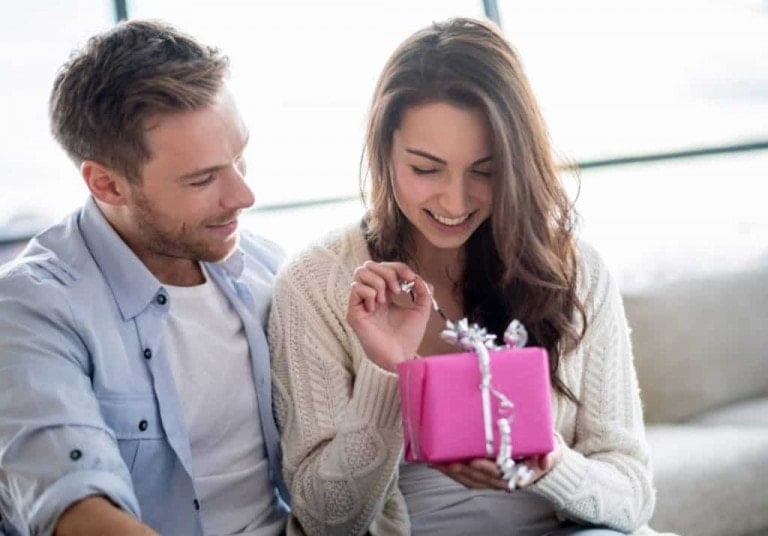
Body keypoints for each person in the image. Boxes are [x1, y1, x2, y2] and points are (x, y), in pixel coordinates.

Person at [268, 17, 656, 536]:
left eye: (486, 170)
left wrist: (551, 464)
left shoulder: (573, 269)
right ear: (384, 152)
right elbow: (325, 519)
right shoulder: (316, 283)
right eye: (426, 170)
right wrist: (388, 376)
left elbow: (632, 499)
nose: (454, 202)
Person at [0, 20, 288, 535]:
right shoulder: (28, 310)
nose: (244, 196)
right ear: (107, 184)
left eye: (239, 157)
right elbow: (74, 510)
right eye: (203, 179)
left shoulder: (269, 271)